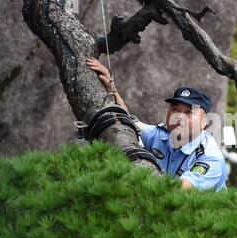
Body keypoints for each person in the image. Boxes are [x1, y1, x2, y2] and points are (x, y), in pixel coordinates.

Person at [86, 57, 227, 191]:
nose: (179, 116)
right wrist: (111, 87)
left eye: (188, 112)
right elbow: (128, 121)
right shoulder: (161, 136)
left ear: (203, 123)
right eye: (175, 109)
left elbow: (178, 191)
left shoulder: (209, 157)